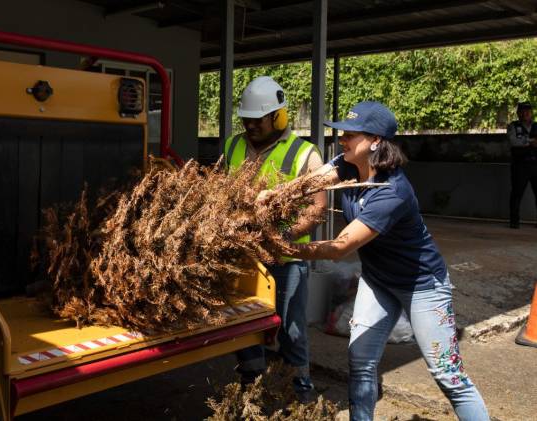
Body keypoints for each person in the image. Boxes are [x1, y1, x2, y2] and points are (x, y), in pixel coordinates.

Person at [259, 101, 489, 420]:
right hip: (379, 280)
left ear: (376, 141)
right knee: (361, 361)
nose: (342, 140)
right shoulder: (347, 165)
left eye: (350, 135)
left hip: (422, 286)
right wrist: (275, 195)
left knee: (449, 376)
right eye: (342, 133)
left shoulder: (392, 192)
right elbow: (309, 183)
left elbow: (340, 247)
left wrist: (281, 246)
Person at [223, 76, 326, 401]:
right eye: (246, 120)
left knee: (291, 330)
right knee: (245, 327)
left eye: (257, 120)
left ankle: (300, 394)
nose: (250, 126)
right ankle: (253, 387)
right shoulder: (233, 145)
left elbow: (318, 207)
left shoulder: (306, 154)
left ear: (278, 117)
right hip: (243, 257)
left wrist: (283, 236)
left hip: (285, 262)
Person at [506, 101, 537, 229]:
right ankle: (514, 221)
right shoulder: (513, 126)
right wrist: (530, 142)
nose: (525, 114)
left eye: (527, 112)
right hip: (520, 165)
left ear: (531, 113)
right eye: (522, 111)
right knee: (517, 193)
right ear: (518, 113)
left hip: (536, 164)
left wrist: (523, 142)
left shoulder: (536, 126)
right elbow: (513, 141)